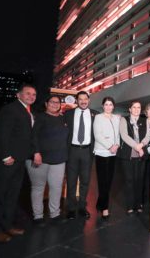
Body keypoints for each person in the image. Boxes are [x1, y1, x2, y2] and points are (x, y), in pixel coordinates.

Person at [0, 84, 36, 243]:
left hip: (19, 160)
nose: (31, 96)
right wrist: (6, 156)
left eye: (34, 94)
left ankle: (7, 225)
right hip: (7, 161)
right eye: (27, 93)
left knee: (12, 195)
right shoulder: (11, 109)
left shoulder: (27, 112)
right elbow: (2, 133)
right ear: (18, 95)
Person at [26, 95, 68, 225]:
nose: (55, 104)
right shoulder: (39, 117)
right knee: (38, 187)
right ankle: (37, 215)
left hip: (59, 159)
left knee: (56, 188)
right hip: (40, 159)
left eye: (58, 102)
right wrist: (36, 153)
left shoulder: (63, 118)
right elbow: (33, 137)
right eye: (52, 102)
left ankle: (54, 213)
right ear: (46, 103)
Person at [64, 91, 98, 219]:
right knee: (71, 181)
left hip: (87, 151)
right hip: (72, 151)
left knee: (85, 181)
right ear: (76, 101)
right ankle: (71, 208)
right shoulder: (68, 114)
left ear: (89, 100)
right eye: (80, 99)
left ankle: (82, 207)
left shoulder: (95, 114)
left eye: (85, 99)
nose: (83, 101)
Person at [118, 101, 149, 214]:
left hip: (141, 154)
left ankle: (138, 204)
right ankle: (130, 205)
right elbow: (124, 135)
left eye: (138, 107)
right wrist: (137, 146)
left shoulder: (144, 120)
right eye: (134, 107)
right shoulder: (124, 120)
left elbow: (147, 136)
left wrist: (141, 145)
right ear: (130, 109)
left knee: (139, 180)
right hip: (128, 155)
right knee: (129, 180)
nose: (136, 109)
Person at [92, 97, 120, 219]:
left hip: (113, 153)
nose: (108, 107)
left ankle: (99, 203)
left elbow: (118, 134)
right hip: (102, 152)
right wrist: (110, 146)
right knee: (102, 181)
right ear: (103, 106)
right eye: (106, 104)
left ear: (113, 106)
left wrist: (117, 145)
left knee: (109, 181)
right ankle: (105, 208)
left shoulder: (116, 118)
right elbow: (97, 135)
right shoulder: (98, 117)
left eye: (110, 104)